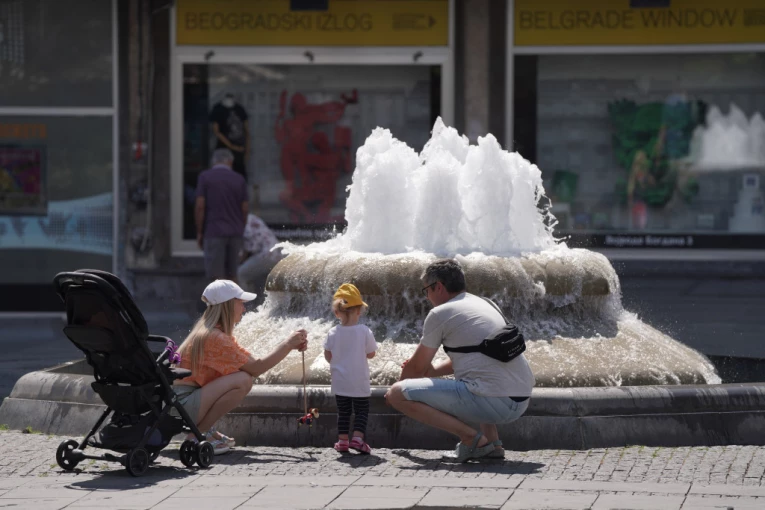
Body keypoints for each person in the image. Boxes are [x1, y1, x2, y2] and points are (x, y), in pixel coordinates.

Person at [384, 259, 535, 462]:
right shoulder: (485, 303)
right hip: (521, 400)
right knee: (479, 377)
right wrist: (432, 371)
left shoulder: (440, 313)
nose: (427, 297)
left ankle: (471, 440)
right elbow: (480, 357)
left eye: (426, 290)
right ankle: (493, 444)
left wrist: (395, 394)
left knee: (397, 394)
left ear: (438, 287)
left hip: (495, 401)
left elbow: (417, 367)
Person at [174, 279, 308, 454]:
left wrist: (290, 344)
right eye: (241, 303)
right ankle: (197, 435)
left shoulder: (212, 333)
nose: (244, 309)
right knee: (243, 380)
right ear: (228, 305)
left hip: (179, 404)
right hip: (181, 406)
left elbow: (254, 362)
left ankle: (205, 431)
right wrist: (288, 344)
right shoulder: (215, 337)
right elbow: (257, 368)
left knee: (238, 376)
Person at [323, 283, 378, 454]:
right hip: (359, 380)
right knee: (361, 410)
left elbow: (327, 355)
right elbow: (371, 354)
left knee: (343, 412)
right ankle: (358, 439)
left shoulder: (332, 332)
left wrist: (337, 361)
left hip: (340, 381)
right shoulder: (364, 331)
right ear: (359, 311)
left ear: (336, 312)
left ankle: (342, 441)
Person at [196, 148, 248, 283]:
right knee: (233, 275)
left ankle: (220, 298)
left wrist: (200, 232)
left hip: (214, 231)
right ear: (230, 161)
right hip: (235, 232)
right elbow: (244, 208)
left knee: (216, 278)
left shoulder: (205, 177)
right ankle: (233, 298)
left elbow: (200, 206)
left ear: (214, 162)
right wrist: (241, 228)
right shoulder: (239, 179)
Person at [237, 213, 285, 307]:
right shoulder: (251, 217)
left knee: (241, 274)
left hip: (266, 255)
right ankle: (262, 307)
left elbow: (246, 252)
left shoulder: (241, 221)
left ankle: (247, 308)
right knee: (262, 281)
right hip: (278, 255)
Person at [209, 93, 249, 181]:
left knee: (240, 178)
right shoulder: (218, 109)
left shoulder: (240, 109)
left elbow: (246, 131)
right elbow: (216, 131)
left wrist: (247, 150)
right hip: (223, 150)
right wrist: (232, 146)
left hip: (239, 150)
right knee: (222, 177)